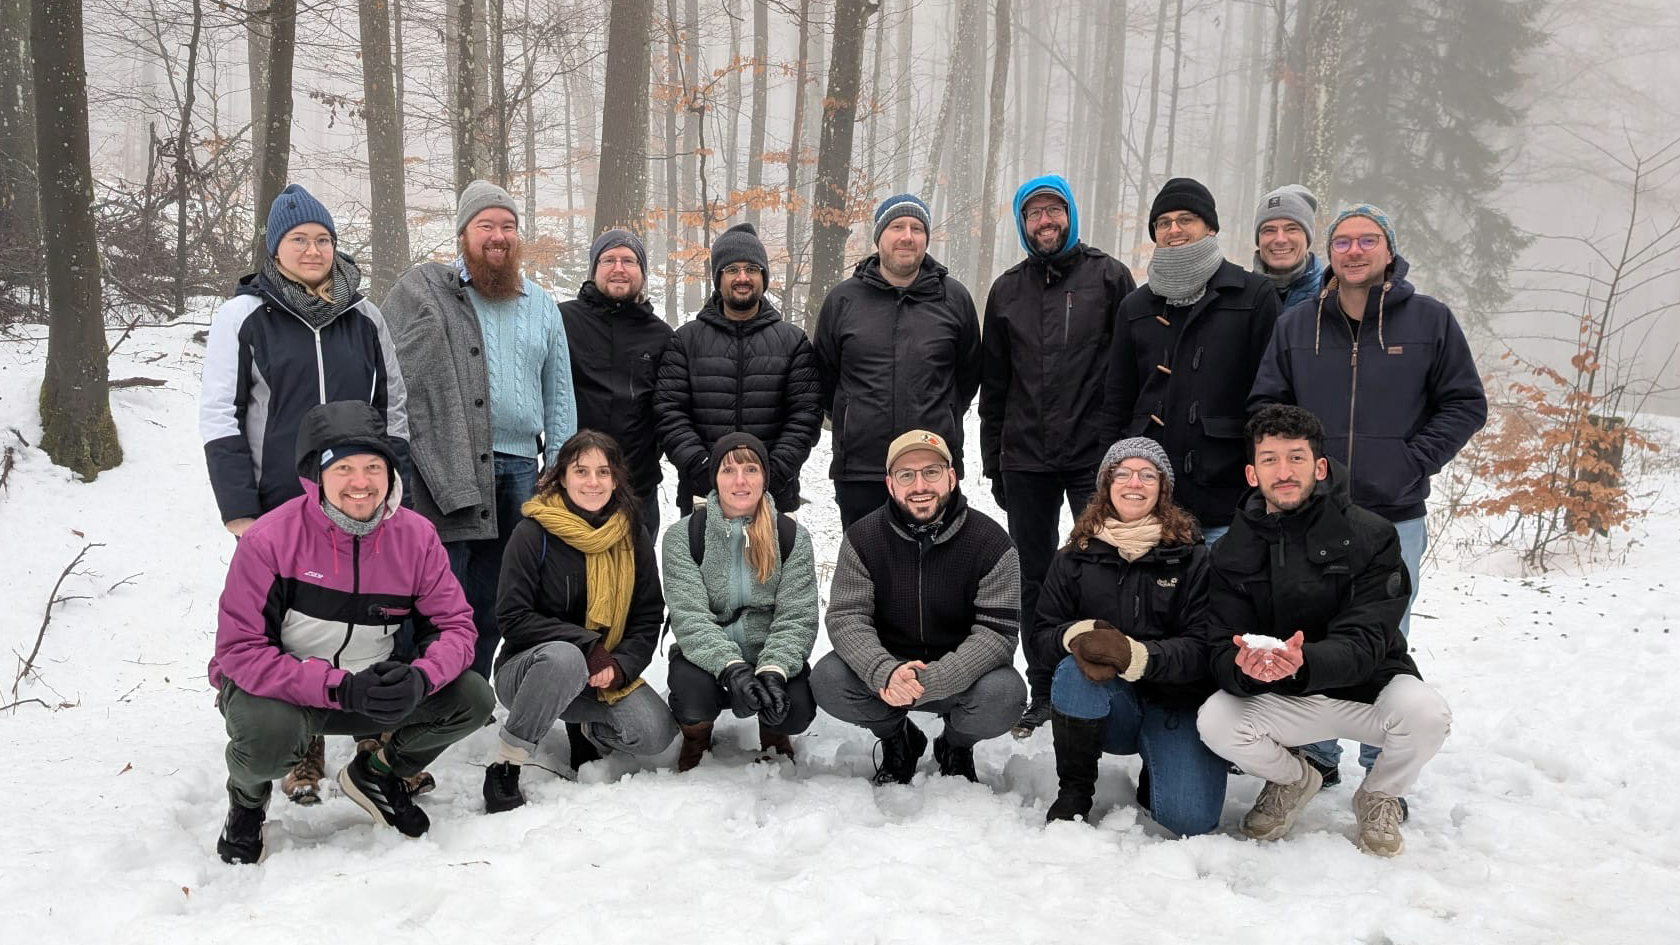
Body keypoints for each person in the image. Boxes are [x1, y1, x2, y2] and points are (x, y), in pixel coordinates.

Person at [1247, 204, 1485, 782]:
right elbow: (1266, 406)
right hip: (1313, 511)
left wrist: (1411, 461)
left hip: (1394, 510)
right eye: (1343, 241)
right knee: (1311, 628)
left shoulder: (1429, 320)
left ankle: (1383, 765)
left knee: (1386, 633)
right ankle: (1317, 752)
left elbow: (1464, 403)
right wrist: (1293, 471)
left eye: (1367, 240)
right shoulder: (1298, 324)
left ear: (1389, 249)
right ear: (1329, 253)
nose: (1354, 251)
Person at [208, 401, 494, 864]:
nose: (360, 482)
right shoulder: (270, 539)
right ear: (316, 475)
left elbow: (456, 626)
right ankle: (247, 801)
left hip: (369, 691)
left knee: (473, 698)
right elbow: (240, 651)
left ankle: (378, 772)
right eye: (343, 468)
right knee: (267, 738)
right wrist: (338, 687)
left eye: (372, 467)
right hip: (285, 695)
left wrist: (420, 678)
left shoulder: (417, 538)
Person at [200, 182, 412, 806]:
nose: (313, 249)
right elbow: (220, 414)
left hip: (362, 498)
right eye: (299, 239)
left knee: (371, 609)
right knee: (292, 621)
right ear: (275, 248)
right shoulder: (244, 316)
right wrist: (240, 509)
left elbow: (394, 406)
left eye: (323, 239)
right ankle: (302, 749)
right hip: (278, 502)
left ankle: (375, 735)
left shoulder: (364, 317)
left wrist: (391, 488)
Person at [1195, 405, 1452, 857]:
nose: (1284, 471)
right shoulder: (1231, 549)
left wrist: (1306, 661)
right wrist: (1243, 668)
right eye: (1270, 459)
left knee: (1427, 714)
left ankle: (1379, 794)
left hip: (1366, 689)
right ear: (1252, 474)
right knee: (1215, 720)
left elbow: (1369, 637)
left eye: (1296, 457)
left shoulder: (1372, 535)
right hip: (1284, 696)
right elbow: (1220, 640)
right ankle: (1294, 779)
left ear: (1319, 467)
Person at [383, 179, 578, 680]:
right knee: (442, 582)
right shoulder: (437, 297)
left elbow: (559, 392)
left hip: (521, 468)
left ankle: (473, 685)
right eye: (485, 225)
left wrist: (557, 463)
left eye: (508, 226)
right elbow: (395, 370)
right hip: (448, 464)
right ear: (463, 234)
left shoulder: (541, 305)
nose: (498, 236)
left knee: (499, 589)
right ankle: (430, 682)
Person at [980, 173, 1137, 738]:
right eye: (1033, 213)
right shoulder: (1006, 291)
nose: (1045, 221)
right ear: (1022, 223)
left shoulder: (1109, 277)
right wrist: (994, 461)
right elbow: (994, 386)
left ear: (1070, 214)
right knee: (1035, 576)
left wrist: (1124, 454)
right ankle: (1044, 685)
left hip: (1095, 458)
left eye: (1053, 210)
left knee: (1108, 569)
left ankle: (1111, 680)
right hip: (1025, 458)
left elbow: (1129, 369)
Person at [811, 430, 1025, 785]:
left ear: (951, 477)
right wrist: (885, 672)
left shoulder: (991, 543)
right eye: (906, 475)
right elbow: (847, 618)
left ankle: (955, 745)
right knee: (828, 679)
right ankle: (899, 739)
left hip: (961, 674)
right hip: (888, 672)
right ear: (890, 484)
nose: (920, 485)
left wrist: (933, 680)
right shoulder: (863, 539)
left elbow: (996, 635)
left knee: (1005, 695)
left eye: (931, 472)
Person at [1034, 438, 1224, 836]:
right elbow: (1042, 639)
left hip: (1176, 702)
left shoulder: (1193, 557)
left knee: (1190, 819)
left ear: (1163, 488)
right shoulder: (1074, 556)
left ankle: (1159, 770)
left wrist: (1138, 656)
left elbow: (1205, 646)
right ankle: (1075, 790)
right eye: (1122, 473)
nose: (1134, 483)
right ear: (1106, 483)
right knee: (1072, 671)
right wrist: (1076, 634)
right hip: (1111, 705)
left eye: (1147, 475)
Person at [482, 431, 677, 812]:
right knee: (565, 657)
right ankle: (506, 763)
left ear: (616, 479)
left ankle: (585, 728)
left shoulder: (631, 535)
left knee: (655, 732)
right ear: (562, 477)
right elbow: (513, 617)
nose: (593, 482)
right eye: (581, 471)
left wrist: (619, 667)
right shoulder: (533, 533)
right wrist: (588, 646)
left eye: (603, 472)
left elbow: (647, 615)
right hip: (528, 673)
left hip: (600, 675)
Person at [1101, 177, 1281, 544]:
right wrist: (1109, 479)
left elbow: (1271, 396)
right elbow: (1117, 401)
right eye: (1163, 223)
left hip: (1228, 495)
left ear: (1210, 227)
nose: (1174, 230)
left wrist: (1265, 480)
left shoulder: (1254, 296)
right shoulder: (1135, 306)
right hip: (1147, 496)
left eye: (1186, 219)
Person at [814, 195, 982, 528]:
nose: (907, 236)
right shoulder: (843, 300)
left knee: (935, 558)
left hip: (932, 467)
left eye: (916, 228)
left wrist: (942, 415)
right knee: (864, 558)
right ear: (879, 237)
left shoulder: (954, 299)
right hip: (862, 467)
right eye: (897, 227)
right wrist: (853, 417)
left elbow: (967, 377)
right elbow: (825, 377)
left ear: (926, 239)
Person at [662, 433, 821, 770]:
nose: (740, 481)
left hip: (768, 652)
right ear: (715, 479)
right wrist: (731, 668)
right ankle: (696, 734)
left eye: (750, 469)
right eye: (728, 470)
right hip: (708, 657)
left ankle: (774, 732)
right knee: (692, 694)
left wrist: (774, 670)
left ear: (764, 477)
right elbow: (690, 617)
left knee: (797, 708)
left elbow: (797, 616)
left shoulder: (791, 537)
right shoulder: (683, 537)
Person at [655, 222, 821, 518]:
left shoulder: (793, 342)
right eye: (732, 269)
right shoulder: (686, 341)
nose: (742, 277)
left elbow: (805, 416)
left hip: (774, 495)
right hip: (703, 494)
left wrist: (769, 474)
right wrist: (705, 470)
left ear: (763, 277)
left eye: (752, 269)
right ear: (718, 278)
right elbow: (670, 413)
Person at [561, 228, 674, 535]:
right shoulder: (562, 322)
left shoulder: (661, 336)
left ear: (642, 272)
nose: (619, 268)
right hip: (573, 486)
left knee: (636, 566)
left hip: (636, 488)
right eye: (608, 260)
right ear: (594, 269)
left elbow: (669, 408)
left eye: (629, 260)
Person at [1251, 184, 1323, 309]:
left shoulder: (1334, 297)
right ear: (1259, 239)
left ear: (1307, 237)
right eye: (1269, 230)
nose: (1280, 239)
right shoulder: (1237, 298)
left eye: (1291, 229)